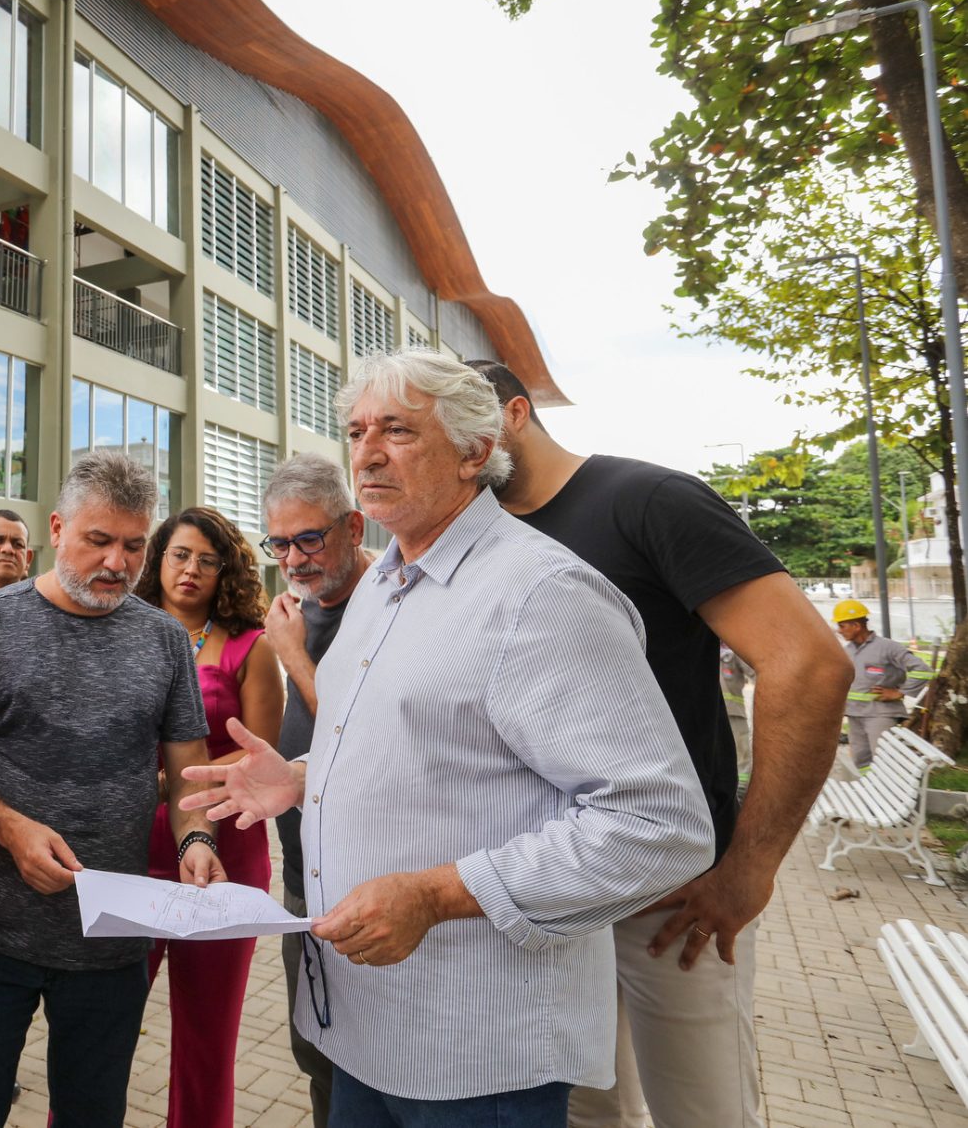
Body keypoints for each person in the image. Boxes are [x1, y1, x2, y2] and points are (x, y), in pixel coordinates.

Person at [185, 349, 714, 1126]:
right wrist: (303, 775)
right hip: (362, 1029)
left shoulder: (540, 593)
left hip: (475, 1056)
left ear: (475, 451)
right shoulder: (385, 584)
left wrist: (437, 894)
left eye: (397, 428)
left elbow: (659, 826)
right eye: (358, 429)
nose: (366, 450)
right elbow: (421, 740)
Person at [470, 358, 851, 1128]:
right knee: (583, 1113)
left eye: (459, 430)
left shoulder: (646, 499)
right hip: (550, 883)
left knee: (704, 1114)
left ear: (515, 413)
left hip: (674, 892)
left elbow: (807, 664)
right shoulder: (484, 538)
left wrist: (751, 864)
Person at [0, 452, 225, 1128]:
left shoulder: (167, 642)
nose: (118, 562)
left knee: (91, 1116)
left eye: (134, 545)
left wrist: (197, 837)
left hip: (112, 938)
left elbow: (190, 771)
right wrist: (11, 828)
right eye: (99, 540)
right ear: (57, 528)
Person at [133, 506, 284, 1128]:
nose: (190, 570)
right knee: (102, 1021)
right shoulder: (123, 630)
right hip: (130, 846)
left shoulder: (253, 646)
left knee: (208, 1033)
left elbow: (258, 761)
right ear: (157, 560)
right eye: (178, 555)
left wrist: (171, 780)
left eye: (207, 559)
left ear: (227, 571)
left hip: (227, 850)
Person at [256, 453, 366, 1128]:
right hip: (303, 877)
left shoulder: (385, 600)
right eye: (279, 542)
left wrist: (292, 654)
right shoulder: (301, 608)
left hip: (368, 880)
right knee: (315, 1052)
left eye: (309, 538)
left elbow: (364, 734)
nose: (293, 558)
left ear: (352, 526)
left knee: (367, 1063)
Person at [835, 599, 929, 769]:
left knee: (884, 761)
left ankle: (894, 794)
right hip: (855, 715)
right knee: (860, 760)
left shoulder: (888, 648)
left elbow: (922, 670)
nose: (839, 631)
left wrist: (900, 692)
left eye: (842, 626)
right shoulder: (847, 652)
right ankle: (871, 793)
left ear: (856, 625)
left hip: (880, 714)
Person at [720, 643, 755, 778]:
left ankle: (741, 793)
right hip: (723, 716)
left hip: (734, 715)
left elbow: (756, 673)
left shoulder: (733, 654)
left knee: (741, 759)